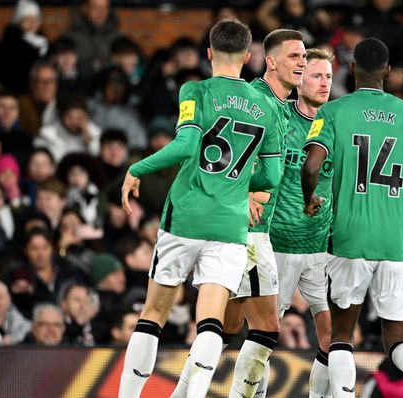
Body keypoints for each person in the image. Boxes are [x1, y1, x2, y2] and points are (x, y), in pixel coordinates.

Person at [118, 20, 282, 398]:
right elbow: (271, 176)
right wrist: (238, 183)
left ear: (209, 53)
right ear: (247, 56)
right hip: (230, 225)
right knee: (210, 321)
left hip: (185, 216)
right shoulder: (266, 108)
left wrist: (137, 167)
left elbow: (187, 145)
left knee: (154, 313)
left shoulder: (196, 90)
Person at [301, 38, 403, 398]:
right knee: (398, 338)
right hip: (397, 242)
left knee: (342, 335)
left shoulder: (332, 112)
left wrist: (308, 199)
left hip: (350, 238)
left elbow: (312, 165)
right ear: (388, 72)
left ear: (351, 69)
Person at [216, 29, 306, 398]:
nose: (301, 62)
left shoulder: (279, 106)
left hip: (252, 229)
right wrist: (244, 195)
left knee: (226, 325)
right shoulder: (257, 101)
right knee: (266, 327)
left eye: (304, 56)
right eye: (293, 56)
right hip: (247, 229)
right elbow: (220, 157)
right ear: (270, 61)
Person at [268, 48, 334, 398]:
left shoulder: (337, 124)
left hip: (321, 248)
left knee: (332, 337)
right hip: (278, 244)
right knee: (263, 334)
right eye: (316, 76)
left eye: (328, 77)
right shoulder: (279, 119)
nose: (324, 83)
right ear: (299, 79)